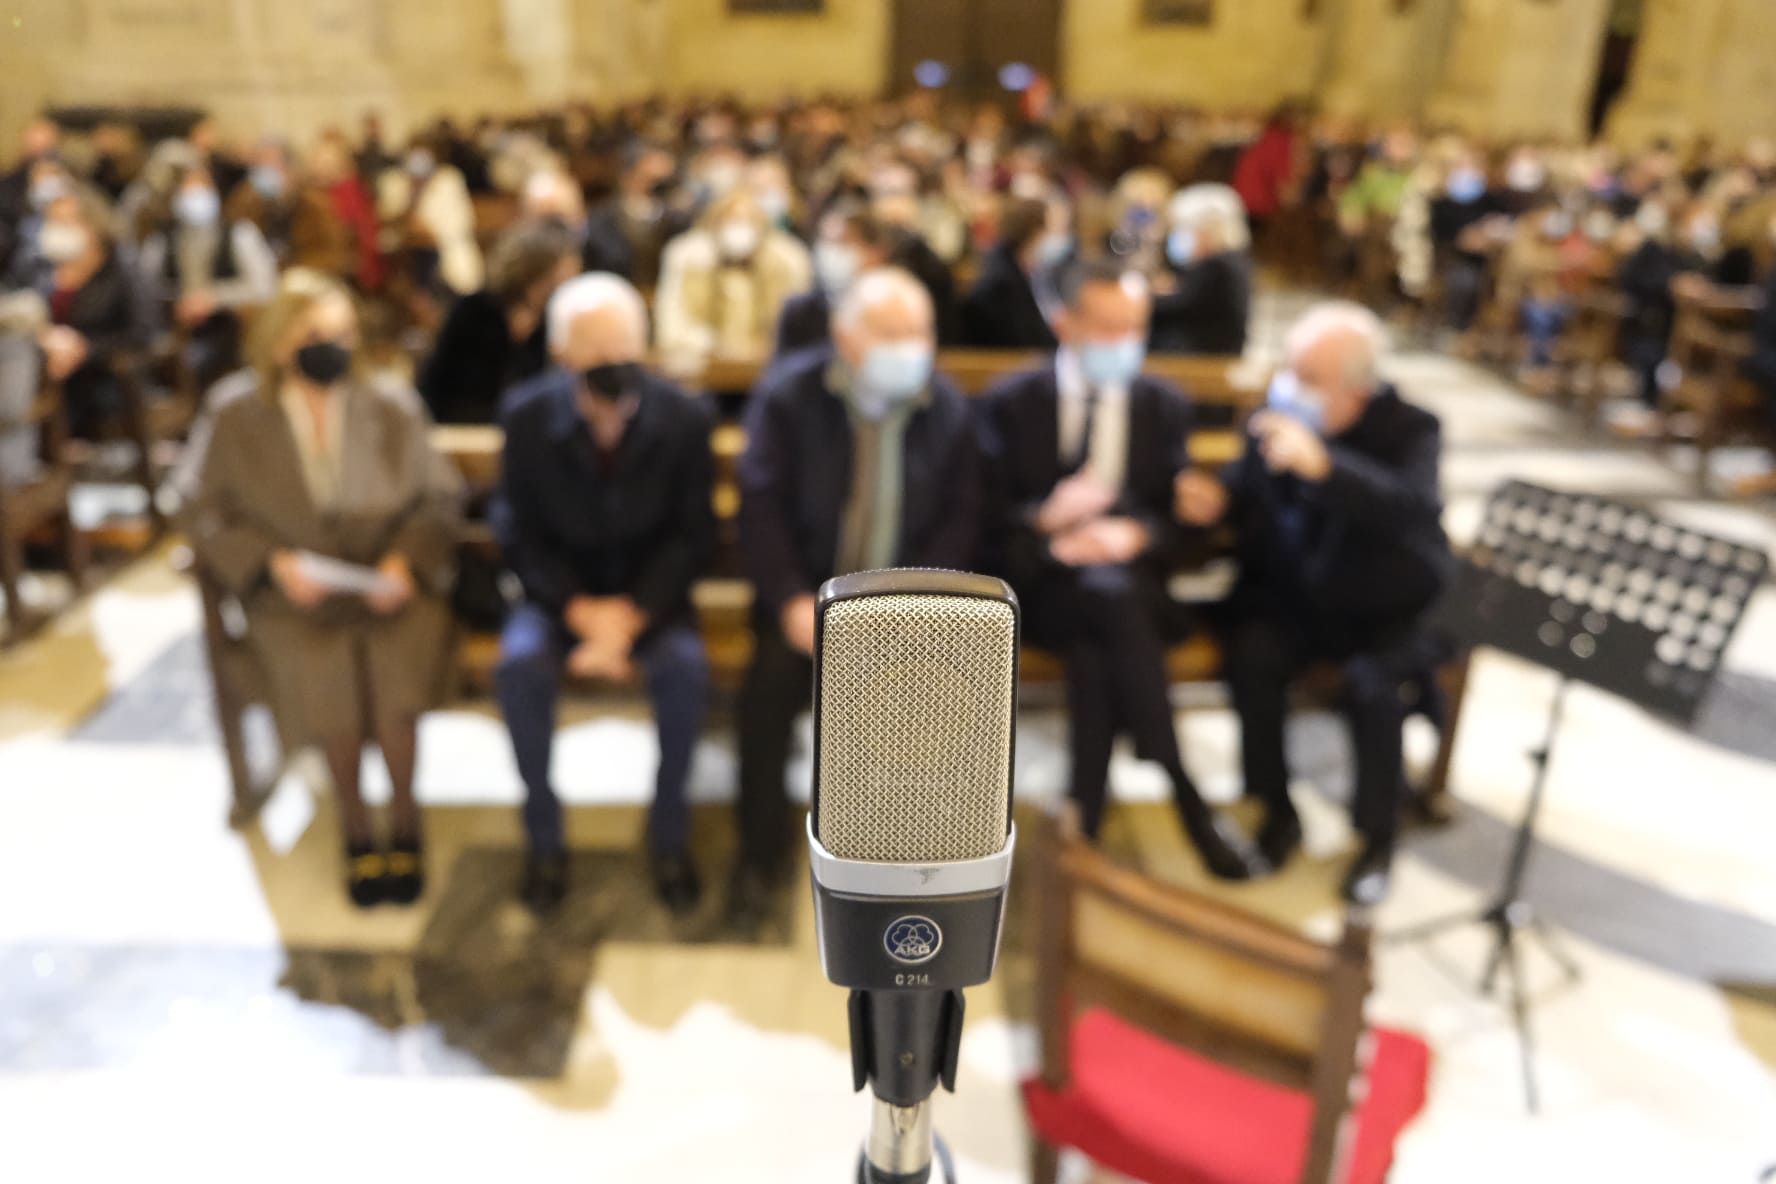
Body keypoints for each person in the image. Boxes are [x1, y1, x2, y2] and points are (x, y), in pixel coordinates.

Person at [174, 269, 463, 907]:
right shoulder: (236, 412)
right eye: (316, 335)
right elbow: (199, 505)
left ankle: (405, 820)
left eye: (343, 335)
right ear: (281, 342)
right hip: (295, 595)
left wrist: (404, 564)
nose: (333, 347)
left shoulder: (390, 404)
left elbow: (440, 498)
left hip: (390, 588)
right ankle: (355, 825)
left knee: (391, 683)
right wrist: (271, 563)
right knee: (325, 670)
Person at [976, 260, 1260, 879]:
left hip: (1131, 591)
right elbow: (985, 526)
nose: (1123, 342)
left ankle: (1088, 818)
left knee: (1106, 620)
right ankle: (1179, 793)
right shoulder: (1010, 402)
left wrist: (1138, 531)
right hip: (1044, 592)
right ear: (1064, 324)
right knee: (1103, 617)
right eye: (1107, 327)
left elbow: (1174, 523)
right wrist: (1049, 528)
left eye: (1135, 327)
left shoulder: (1161, 403)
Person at [1176, 302, 1451, 905]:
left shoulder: (1411, 428)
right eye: (1291, 371)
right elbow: (1244, 489)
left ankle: (1378, 837)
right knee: (1251, 656)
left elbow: (1411, 507)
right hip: (1295, 601)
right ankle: (1275, 806)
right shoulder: (1275, 416)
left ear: (1356, 389)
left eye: (1308, 377)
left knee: (1372, 689)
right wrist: (1215, 500)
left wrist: (1327, 466)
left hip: (1380, 608)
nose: (1290, 386)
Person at [733, 268, 979, 926]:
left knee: (930, 706)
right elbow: (759, 506)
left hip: (907, 609)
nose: (911, 347)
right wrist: (789, 598)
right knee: (766, 696)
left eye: (920, 332)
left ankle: (893, 855)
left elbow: (962, 516)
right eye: (892, 333)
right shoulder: (789, 397)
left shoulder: (946, 406)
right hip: (805, 602)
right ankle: (761, 854)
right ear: (848, 338)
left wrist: (913, 608)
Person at [492, 273, 716, 916]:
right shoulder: (530, 417)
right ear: (563, 356)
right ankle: (544, 837)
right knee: (519, 667)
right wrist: (579, 611)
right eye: (595, 351)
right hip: (562, 599)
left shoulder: (681, 416)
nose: (613, 365)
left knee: (684, 671)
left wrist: (632, 615)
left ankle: (670, 833)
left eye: (624, 348)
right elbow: (519, 533)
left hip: (650, 598)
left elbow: (692, 535)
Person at [417, 217, 579, 425]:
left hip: (527, 431)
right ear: (539, 270)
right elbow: (434, 381)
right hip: (466, 426)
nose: (571, 277)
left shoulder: (555, 320)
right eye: (563, 271)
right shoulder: (475, 309)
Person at [136, 164, 279, 394]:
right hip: (175, 327)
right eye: (188, 186)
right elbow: (144, 285)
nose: (195, 193)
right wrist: (178, 301)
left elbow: (264, 286)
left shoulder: (239, 233)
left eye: (202, 186)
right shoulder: (163, 239)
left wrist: (215, 298)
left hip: (227, 327)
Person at [33, 186, 146, 440]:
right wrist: (46, 338)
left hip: (105, 373)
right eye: (54, 222)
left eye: (67, 222)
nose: (59, 229)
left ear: (92, 225)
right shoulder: (44, 267)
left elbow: (142, 332)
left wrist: (85, 348)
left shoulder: (122, 268)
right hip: (49, 364)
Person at [654, 188, 811, 361]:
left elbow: (794, 326)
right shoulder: (691, 262)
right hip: (703, 362)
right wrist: (708, 345)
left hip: (766, 363)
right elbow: (673, 323)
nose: (740, 226)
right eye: (732, 219)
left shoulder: (781, 264)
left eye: (749, 220)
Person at [772, 201, 892, 357]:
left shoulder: (897, 308)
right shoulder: (803, 311)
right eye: (829, 243)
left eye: (845, 242)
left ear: (875, 252)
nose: (835, 252)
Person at [1151, 184, 1253, 356]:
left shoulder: (1218, 266)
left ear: (1206, 231)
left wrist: (1142, 297)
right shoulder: (1230, 261)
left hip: (1204, 352)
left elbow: (1179, 306)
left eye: (1184, 228)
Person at [960, 194, 1067, 350]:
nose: (1058, 236)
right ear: (1035, 231)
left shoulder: (1038, 271)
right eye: (1054, 228)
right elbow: (1022, 340)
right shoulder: (999, 284)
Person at [581, 142, 684, 288]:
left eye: (664, 183)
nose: (658, 188)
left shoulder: (676, 219)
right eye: (651, 180)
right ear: (628, 175)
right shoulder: (601, 220)